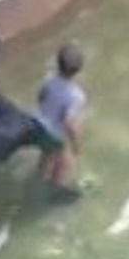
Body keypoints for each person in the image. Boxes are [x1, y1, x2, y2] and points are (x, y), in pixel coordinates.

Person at [34, 41, 87, 202]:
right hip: (55, 134)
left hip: (38, 124)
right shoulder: (75, 95)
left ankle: (39, 178)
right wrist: (76, 145)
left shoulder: (48, 79)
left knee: (46, 155)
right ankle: (56, 191)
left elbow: (40, 96)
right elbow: (69, 123)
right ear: (79, 70)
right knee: (65, 163)